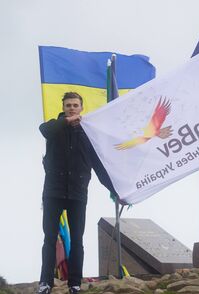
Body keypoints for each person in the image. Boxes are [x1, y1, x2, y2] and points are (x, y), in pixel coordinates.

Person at [38, 92, 114, 294]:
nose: (72, 108)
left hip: (77, 193)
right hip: (53, 191)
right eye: (68, 105)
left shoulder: (88, 134)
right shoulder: (54, 128)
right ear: (63, 107)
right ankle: (45, 283)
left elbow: (98, 166)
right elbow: (43, 130)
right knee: (49, 238)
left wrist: (114, 190)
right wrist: (68, 121)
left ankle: (74, 284)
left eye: (75, 105)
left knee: (78, 240)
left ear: (81, 107)